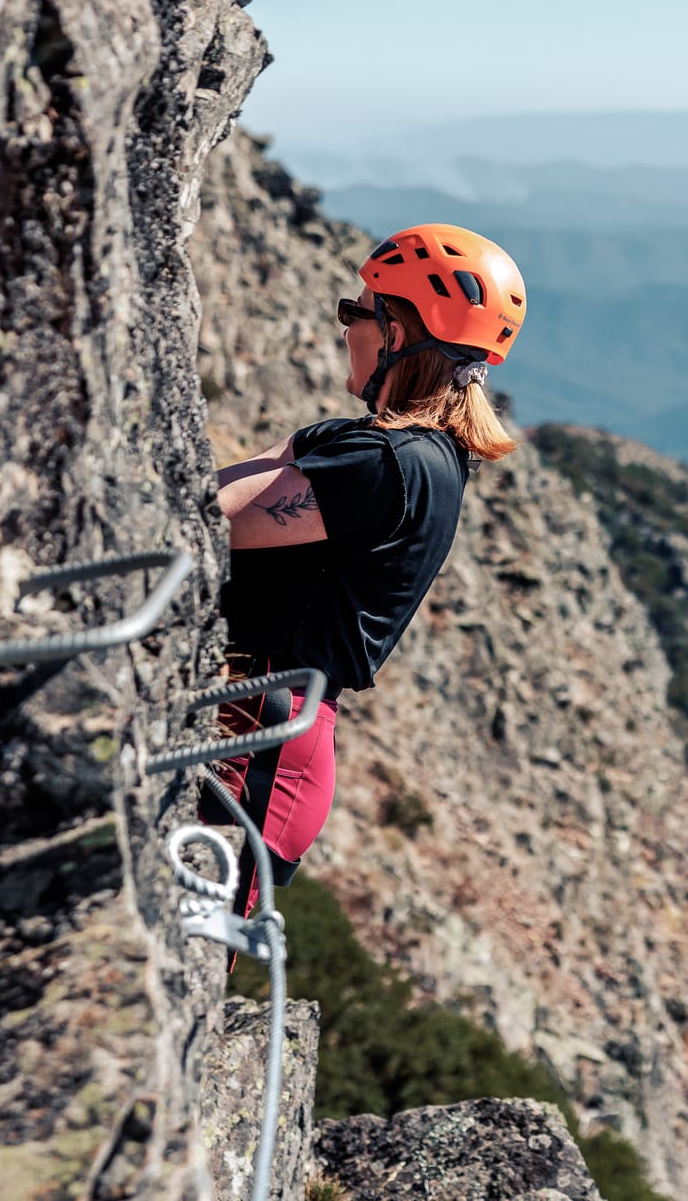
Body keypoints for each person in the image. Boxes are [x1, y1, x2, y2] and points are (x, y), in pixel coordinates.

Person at [207, 223, 526, 915]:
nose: (344, 323)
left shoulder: (385, 464)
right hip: (262, 726)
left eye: (358, 309)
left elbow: (205, 516)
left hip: (252, 736)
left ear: (398, 332)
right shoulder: (383, 449)